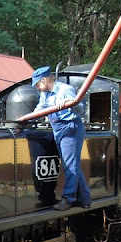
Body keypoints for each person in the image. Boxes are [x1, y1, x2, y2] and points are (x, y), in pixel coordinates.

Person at [30, 66, 91, 211]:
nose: (37, 88)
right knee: (72, 164)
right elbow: (40, 109)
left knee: (70, 165)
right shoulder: (45, 94)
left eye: (37, 84)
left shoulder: (65, 90)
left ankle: (68, 198)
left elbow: (81, 109)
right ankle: (85, 199)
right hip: (58, 129)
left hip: (70, 128)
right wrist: (26, 119)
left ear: (44, 80)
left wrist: (71, 104)